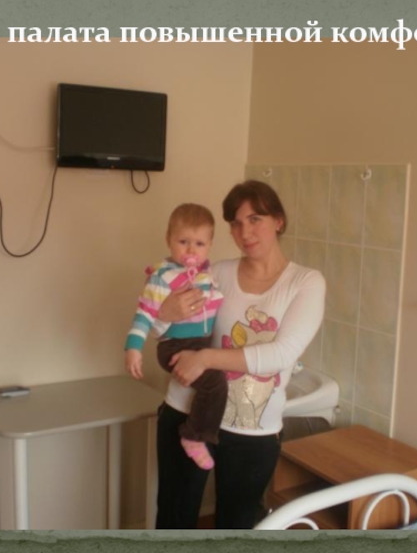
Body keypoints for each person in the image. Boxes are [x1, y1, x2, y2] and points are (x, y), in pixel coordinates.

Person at [153, 180, 326, 529]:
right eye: (235, 223)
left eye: (255, 219)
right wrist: (164, 314)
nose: (245, 232)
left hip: (252, 431)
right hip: (187, 414)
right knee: (173, 519)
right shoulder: (215, 274)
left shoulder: (305, 283)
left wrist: (205, 358)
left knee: (237, 526)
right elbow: (163, 331)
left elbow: (281, 354)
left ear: (278, 221)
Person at [124, 203, 225, 470]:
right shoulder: (162, 278)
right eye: (183, 242)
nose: (191, 251)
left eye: (199, 244)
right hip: (174, 345)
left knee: (211, 383)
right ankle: (194, 436)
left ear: (210, 246)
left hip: (200, 344)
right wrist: (133, 348)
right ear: (169, 240)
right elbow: (144, 315)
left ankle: (196, 430)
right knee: (215, 383)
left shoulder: (206, 274)